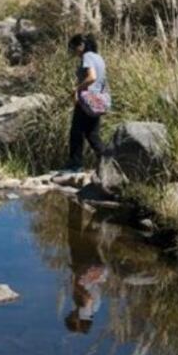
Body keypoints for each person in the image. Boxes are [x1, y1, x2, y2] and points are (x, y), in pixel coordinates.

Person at [63, 33, 110, 172]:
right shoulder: (99, 57)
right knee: (92, 134)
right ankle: (108, 161)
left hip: (87, 100)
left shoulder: (87, 56)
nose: (73, 51)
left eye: (73, 47)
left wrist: (76, 89)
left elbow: (92, 77)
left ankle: (75, 164)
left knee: (76, 132)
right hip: (97, 100)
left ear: (81, 46)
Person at [63, 200, 108, 334]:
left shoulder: (94, 310)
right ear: (77, 321)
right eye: (71, 318)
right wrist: (75, 285)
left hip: (95, 269)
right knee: (77, 234)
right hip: (87, 266)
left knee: (90, 236)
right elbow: (88, 298)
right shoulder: (84, 311)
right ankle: (78, 202)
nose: (70, 314)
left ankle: (101, 210)